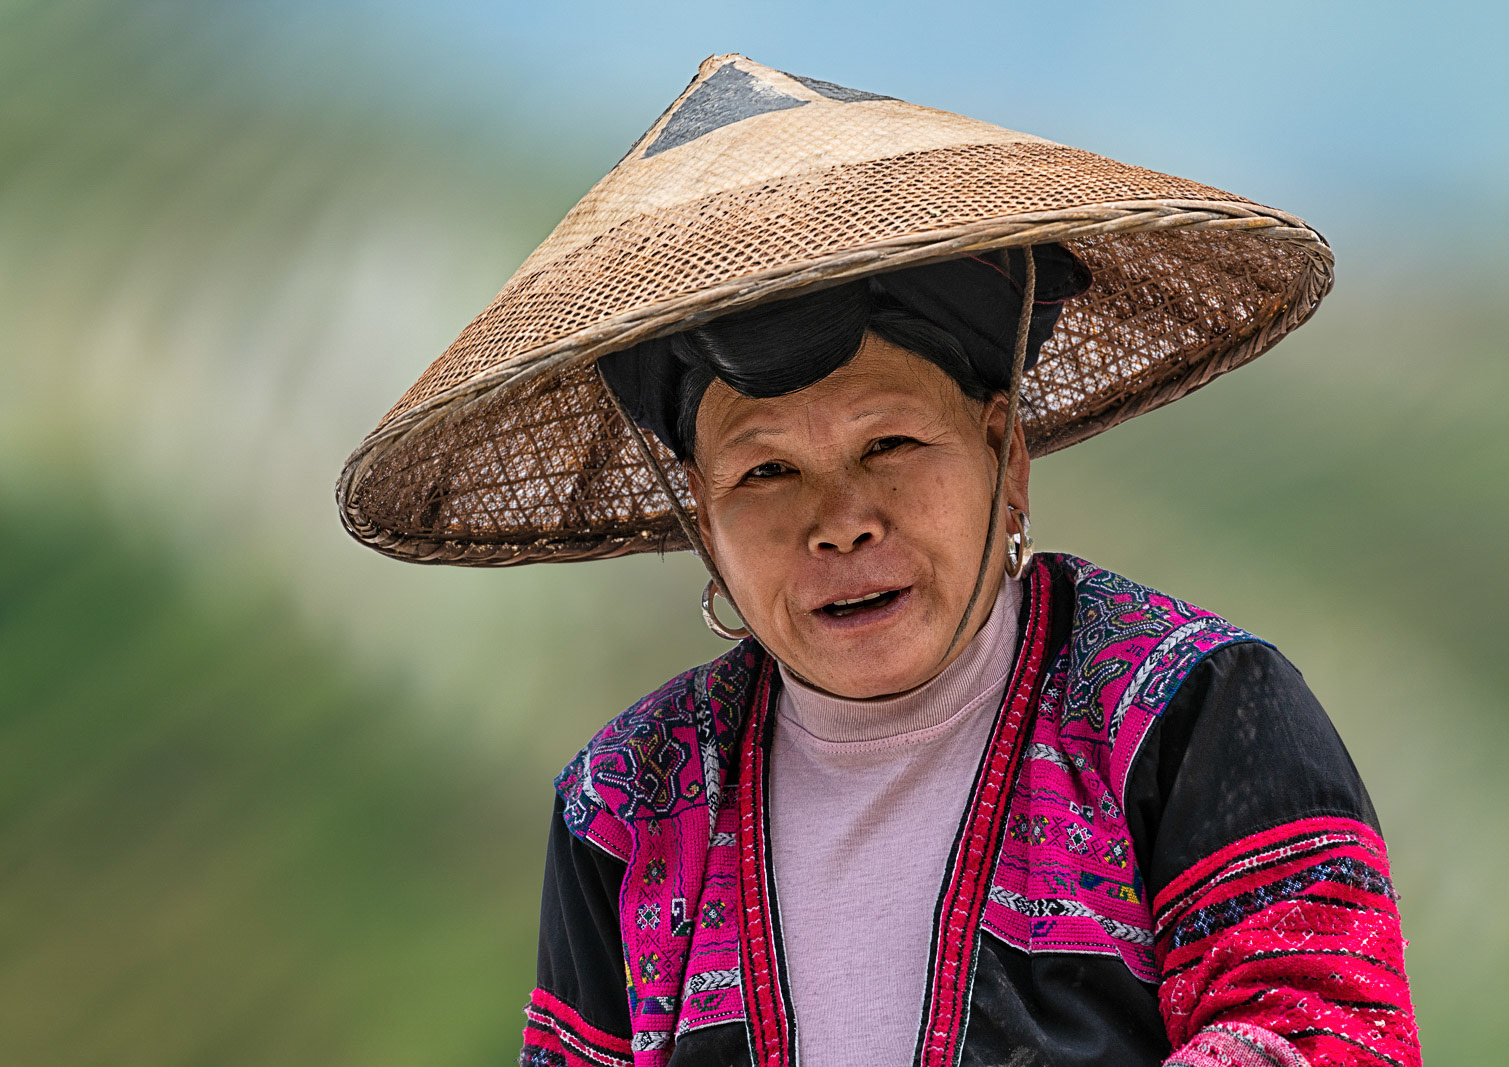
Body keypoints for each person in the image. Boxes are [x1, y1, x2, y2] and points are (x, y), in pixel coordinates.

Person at [337, 55, 1419, 1067]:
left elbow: (1323, 1028)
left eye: (890, 444)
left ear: (1007, 455)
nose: (842, 521)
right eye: (763, 475)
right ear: (701, 522)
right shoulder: (625, 808)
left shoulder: (1190, 713)